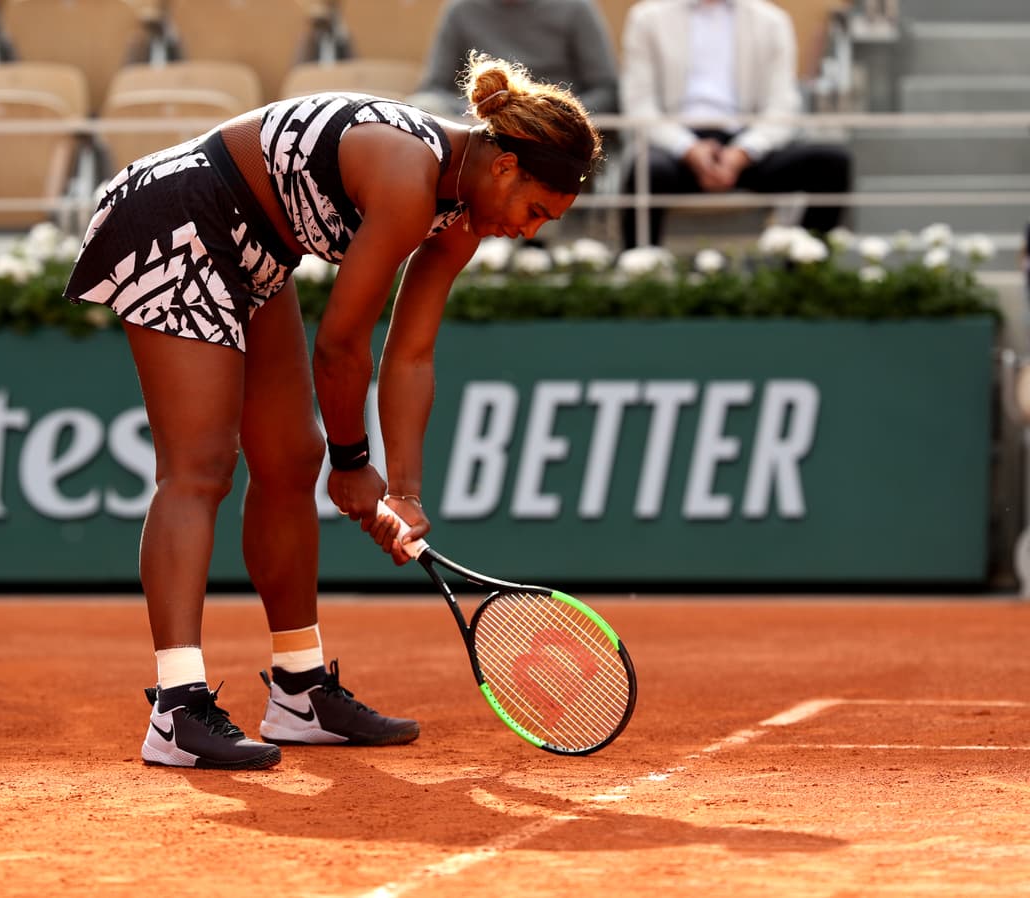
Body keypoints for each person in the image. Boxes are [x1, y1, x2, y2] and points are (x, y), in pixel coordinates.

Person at [62, 53, 602, 770]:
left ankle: (299, 688)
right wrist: (355, 464)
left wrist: (403, 492)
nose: (531, 230)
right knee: (200, 466)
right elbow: (342, 346)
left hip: (257, 248)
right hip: (175, 213)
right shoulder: (412, 179)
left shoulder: (461, 218)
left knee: (290, 459)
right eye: (536, 211)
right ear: (504, 167)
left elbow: (409, 356)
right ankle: (176, 705)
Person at [619, 0, 853, 249]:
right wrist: (688, 148)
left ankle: (804, 271)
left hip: (748, 144)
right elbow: (639, 105)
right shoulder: (647, 18)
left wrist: (743, 152)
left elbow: (782, 106)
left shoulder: (772, 21)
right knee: (644, 170)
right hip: (674, 146)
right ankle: (641, 272)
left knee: (833, 163)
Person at [409, 0, 620, 120]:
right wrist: (475, 111)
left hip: (555, 133)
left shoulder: (576, 9)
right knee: (421, 107)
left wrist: (555, 114)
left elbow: (606, 90)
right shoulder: (460, 11)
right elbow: (433, 89)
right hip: (479, 129)